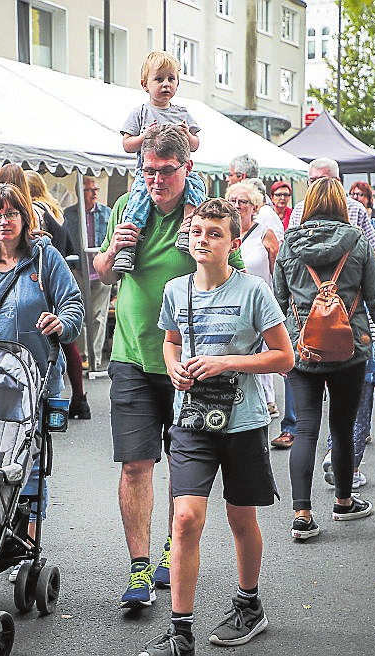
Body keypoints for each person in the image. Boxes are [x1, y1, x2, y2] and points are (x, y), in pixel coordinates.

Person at [94, 125, 245, 608]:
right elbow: (100, 271)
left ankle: (168, 547)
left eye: (166, 171)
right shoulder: (126, 208)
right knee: (136, 464)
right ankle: (139, 569)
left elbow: (230, 269)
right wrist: (113, 250)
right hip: (133, 355)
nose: (156, 180)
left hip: (187, 359)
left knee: (182, 466)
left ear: (187, 168)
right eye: (148, 171)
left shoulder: (201, 216)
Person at [139, 198, 294, 656]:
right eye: (197, 232)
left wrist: (228, 361)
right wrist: (174, 369)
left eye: (214, 233)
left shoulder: (252, 292)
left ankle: (249, 605)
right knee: (185, 518)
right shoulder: (175, 290)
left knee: (240, 517)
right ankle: (180, 631)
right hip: (191, 420)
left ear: (232, 242)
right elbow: (170, 343)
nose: (202, 240)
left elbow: (285, 357)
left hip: (243, 421)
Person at [0, 183, 83, 579]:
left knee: (28, 465)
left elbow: (72, 303)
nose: (2, 222)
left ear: (25, 217)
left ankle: (25, 544)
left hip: (34, 379)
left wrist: (62, 322)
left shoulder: (45, 258)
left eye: (10, 214)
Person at [273, 177, 375, 540]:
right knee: (342, 429)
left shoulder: (290, 243)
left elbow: (277, 302)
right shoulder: (358, 242)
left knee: (304, 429)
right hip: (351, 349)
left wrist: (278, 348)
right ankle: (344, 502)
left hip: (302, 350)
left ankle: (302, 514)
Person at [118, 50, 204, 273]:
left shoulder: (182, 113)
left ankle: (188, 227)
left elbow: (195, 145)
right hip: (145, 174)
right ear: (145, 84)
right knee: (137, 200)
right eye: (159, 79)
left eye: (171, 79)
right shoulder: (140, 113)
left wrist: (188, 135)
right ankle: (129, 243)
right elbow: (127, 145)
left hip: (179, 172)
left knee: (197, 187)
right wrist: (143, 137)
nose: (166, 84)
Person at [25, 170, 89, 419]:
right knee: (67, 341)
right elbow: (71, 248)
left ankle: (51, 402)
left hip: (45, 279)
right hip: (62, 275)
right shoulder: (56, 210)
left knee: (51, 341)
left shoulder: (36, 212)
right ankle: (80, 398)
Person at [226, 181, 281, 419]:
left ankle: (267, 400)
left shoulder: (264, 233)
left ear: (254, 207)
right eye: (233, 201)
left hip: (261, 300)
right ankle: (241, 399)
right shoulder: (225, 233)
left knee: (264, 351)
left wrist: (280, 299)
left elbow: (277, 268)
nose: (237, 206)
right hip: (231, 301)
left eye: (243, 202)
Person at [64, 176, 112, 372]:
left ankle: (95, 357)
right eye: (89, 190)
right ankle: (84, 355)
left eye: (96, 189)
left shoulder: (106, 213)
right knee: (81, 315)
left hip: (101, 272)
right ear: (79, 193)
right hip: (79, 272)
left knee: (99, 316)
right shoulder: (69, 215)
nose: (94, 193)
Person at [288, 158, 375, 250]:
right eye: (313, 181)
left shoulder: (356, 209)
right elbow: (289, 246)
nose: (316, 186)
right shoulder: (299, 209)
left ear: (337, 181)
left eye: (322, 180)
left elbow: (371, 248)